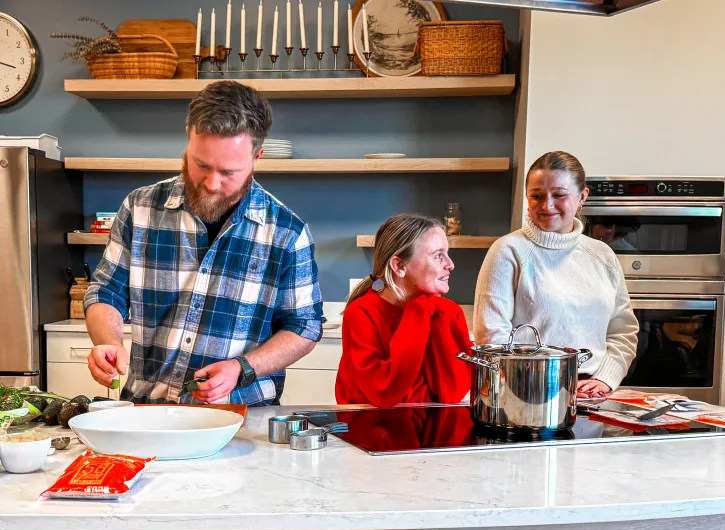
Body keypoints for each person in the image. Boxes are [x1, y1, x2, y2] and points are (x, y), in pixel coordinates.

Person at [84, 81, 323, 407]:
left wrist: (242, 369)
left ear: (257, 156)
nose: (212, 184)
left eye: (229, 172)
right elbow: (106, 291)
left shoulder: (287, 233)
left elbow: (303, 327)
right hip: (146, 411)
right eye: (201, 165)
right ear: (188, 135)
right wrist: (107, 342)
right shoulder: (140, 208)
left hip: (239, 416)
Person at [474, 151, 640, 399]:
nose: (546, 205)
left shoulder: (602, 255)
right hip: (527, 396)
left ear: (582, 197)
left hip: (593, 397)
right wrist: (539, 388)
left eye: (559, 195)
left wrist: (606, 379)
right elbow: (492, 335)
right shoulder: (508, 251)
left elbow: (622, 331)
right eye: (536, 196)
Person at [335, 214, 472, 408]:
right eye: (438, 256)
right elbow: (384, 391)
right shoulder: (361, 313)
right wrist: (417, 314)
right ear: (399, 266)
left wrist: (427, 310)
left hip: (425, 431)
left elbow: (452, 393)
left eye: (447, 254)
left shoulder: (442, 310)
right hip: (371, 429)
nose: (450, 264)